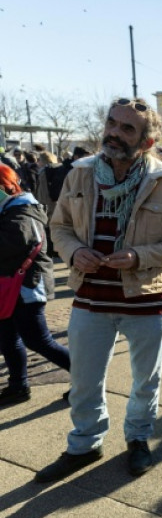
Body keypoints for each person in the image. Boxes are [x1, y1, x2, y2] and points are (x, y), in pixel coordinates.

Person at [37, 97, 162, 482]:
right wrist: (75, 252)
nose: (114, 132)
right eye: (112, 123)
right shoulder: (80, 175)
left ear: (146, 142)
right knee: (85, 379)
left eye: (127, 128)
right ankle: (85, 444)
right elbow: (58, 228)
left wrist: (139, 256)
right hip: (90, 297)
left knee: (146, 380)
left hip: (146, 297)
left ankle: (138, 438)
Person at [0, 165, 71, 406]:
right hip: (14, 287)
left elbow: (11, 244)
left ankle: (88, 381)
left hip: (27, 286)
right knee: (8, 338)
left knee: (38, 340)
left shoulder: (22, 211)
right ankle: (18, 386)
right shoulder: (12, 208)